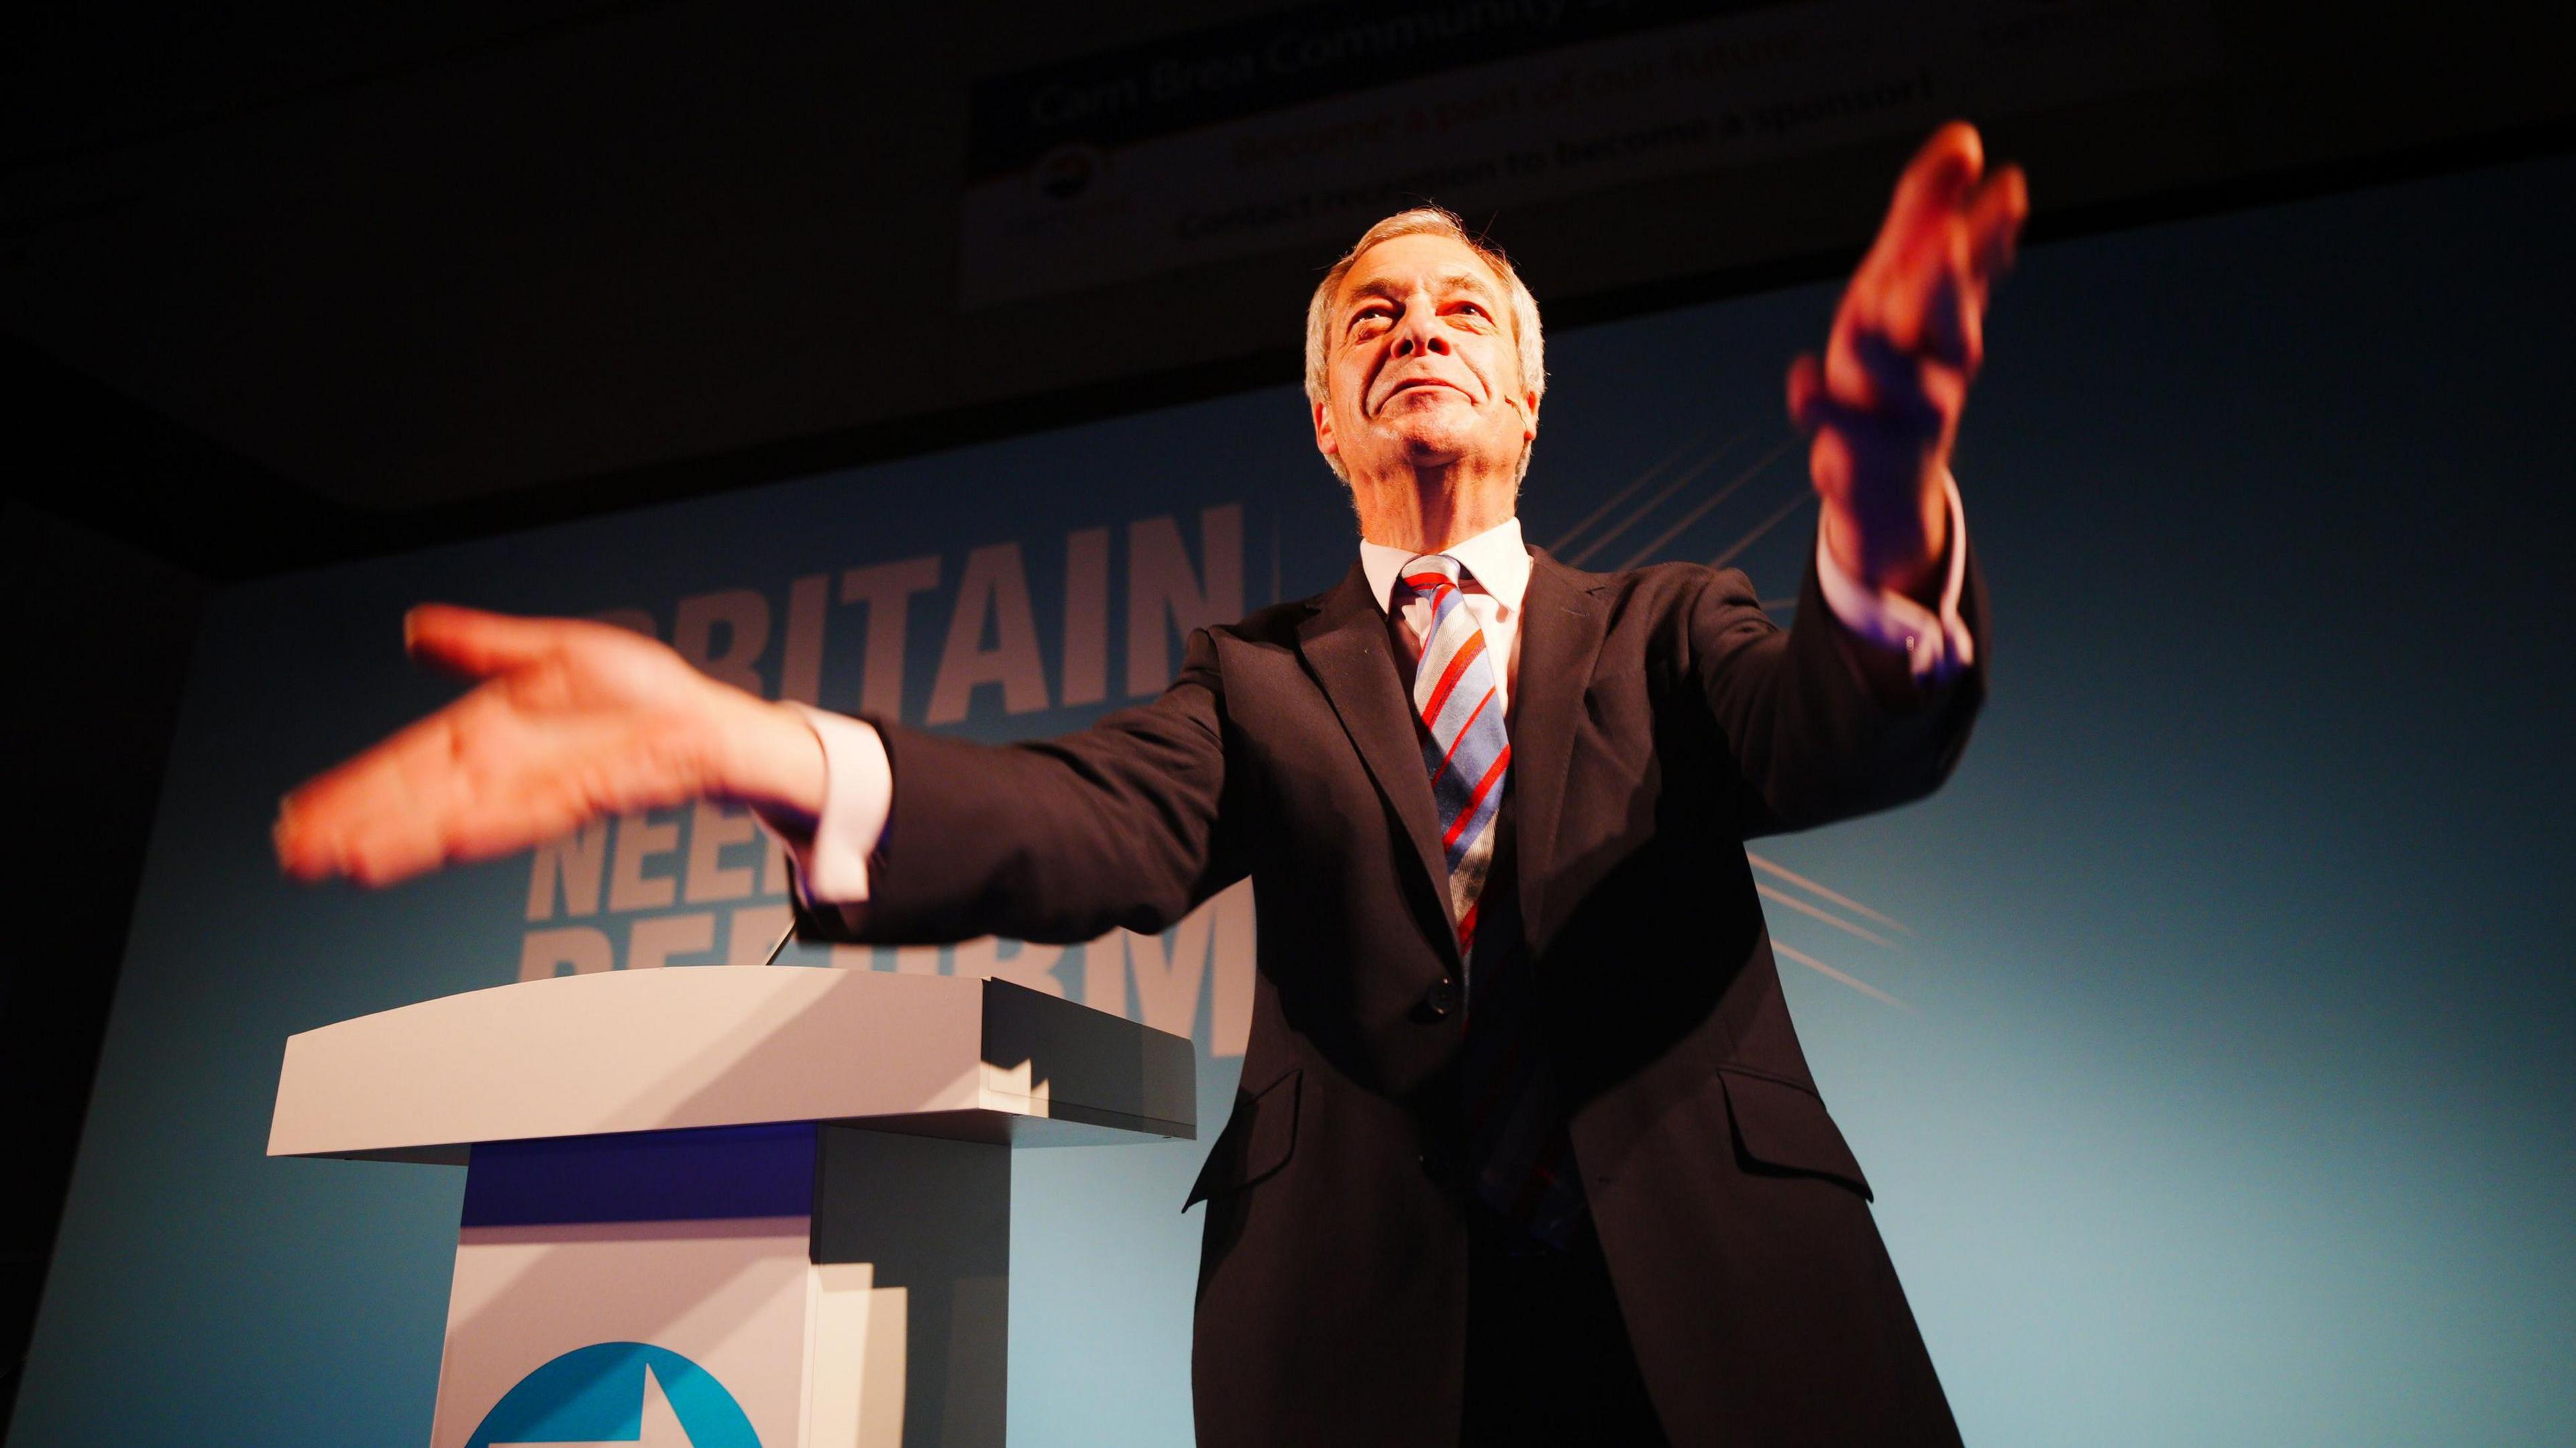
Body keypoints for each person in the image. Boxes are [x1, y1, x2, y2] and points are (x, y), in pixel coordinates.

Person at [277, 121, 2026, 1445]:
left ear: (1532, 389)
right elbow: (1074, 821)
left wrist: (1884, 521)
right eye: (1372, 318)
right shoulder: (1256, 686)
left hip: (1723, 1324)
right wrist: (734, 742)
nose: (1418, 331)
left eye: (1463, 309)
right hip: (1363, 1352)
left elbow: (1840, 723)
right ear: (1326, 420)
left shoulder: (1668, 631)